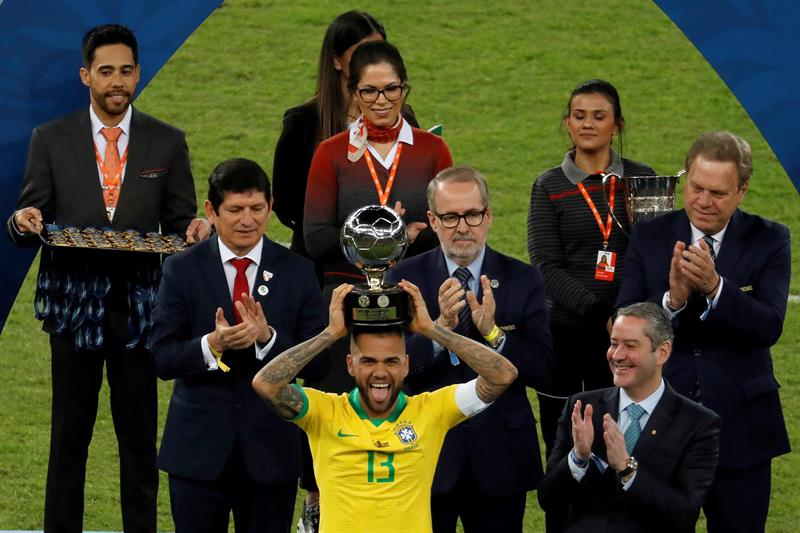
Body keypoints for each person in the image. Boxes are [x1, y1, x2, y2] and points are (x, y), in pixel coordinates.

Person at [6, 24, 210, 533]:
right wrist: (23, 221)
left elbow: (182, 221)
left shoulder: (167, 142)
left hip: (141, 313)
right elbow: (28, 214)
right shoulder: (50, 140)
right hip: (74, 312)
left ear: (137, 73)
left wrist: (196, 227)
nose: (117, 81)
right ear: (85, 76)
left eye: (125, 71)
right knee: (69, 439)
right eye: (105, 72)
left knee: (139, 440)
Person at [615, 131, 791, 533]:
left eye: (718, 192)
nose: (703, 201)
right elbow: (623, 321)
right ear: (685, 178)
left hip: (742, 429)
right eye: (695, 188)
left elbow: (768, 326)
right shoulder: (651, 235)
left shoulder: (770, 239)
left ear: (742, 191)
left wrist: (716, 289)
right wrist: (671, 302)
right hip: (661, 427)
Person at [251, 279, 519, 533]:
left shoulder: (431, 410)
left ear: (405, 365)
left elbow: (502, 375)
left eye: (391, 361)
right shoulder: (324, 412)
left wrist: (431, 330)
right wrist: (330, 333)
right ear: (350, 365)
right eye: (368, 361)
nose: (380, 372)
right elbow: (267, 384)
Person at [150, 158, 328, 533]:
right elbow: (162, 357)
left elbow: (319, 364)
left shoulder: (298, 272)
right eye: (235, 210)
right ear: (211, 211)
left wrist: (268, 339)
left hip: (271, 455)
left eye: (257, 209)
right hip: (197, 456)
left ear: (271, 206)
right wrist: (210, 345)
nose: (247, 220)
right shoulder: (181, 270)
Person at [387, 166, 553, 533]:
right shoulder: (402, 279)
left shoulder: (523, 278)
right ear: (432, 220)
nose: (463, 227)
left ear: (488, 216)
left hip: (501, 456)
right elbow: (386, 371)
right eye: (450, 217)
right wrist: (439, 329)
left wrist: (494, 335)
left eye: (473, 214)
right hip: (426, 453)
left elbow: (542, 369)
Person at [527, 79, 656, 459]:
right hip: (564, 338)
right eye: (579, 116)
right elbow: (546, 267)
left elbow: (651, 255)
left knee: (624, 442)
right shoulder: (548, 186)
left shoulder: (642, 179)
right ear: (567, 123)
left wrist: (624, 316)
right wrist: (602, 314)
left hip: (629, 335)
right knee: (561, 445)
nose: (588, 124)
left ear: (616, 125)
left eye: (599, 117)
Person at [537, 302, 720, 533]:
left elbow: (684, 514)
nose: (617, 355)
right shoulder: (583, 407)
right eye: (614, 344)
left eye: (630, 346)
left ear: (663, 351)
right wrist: (578, 459)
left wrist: (627, 469)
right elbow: (548, 500)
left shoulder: (698, 423)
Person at [272, 10, 418, 265]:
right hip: (324, 264)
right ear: (337, 61)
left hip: (391, 257)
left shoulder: (403, 115)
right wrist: (350, 232)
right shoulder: (303, 122)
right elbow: (286, 203)